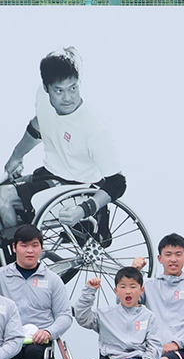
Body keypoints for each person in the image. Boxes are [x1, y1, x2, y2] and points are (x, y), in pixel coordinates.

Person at [0, 47, 126, 230]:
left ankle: (23, 245)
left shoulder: (94, 129)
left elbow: (118, 183)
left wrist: (83, 210)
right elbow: (39, 126)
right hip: (49, 175)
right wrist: (16, 157)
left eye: (73, 88)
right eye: (58, 91)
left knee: (3, 198)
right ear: (46, 88)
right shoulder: (43, 97)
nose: (67, 98)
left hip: (77, 188)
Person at [0, 224, 72, 359]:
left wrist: (48, 332)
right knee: (9, 358)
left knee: (33, 354)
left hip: (38, 343)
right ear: (14, 247)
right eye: (24, 245)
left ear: (41, 248)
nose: (30, 250)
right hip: (8, 342)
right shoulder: (2, 276)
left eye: (35, 245)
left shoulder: (53, 280)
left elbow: (65, 315)